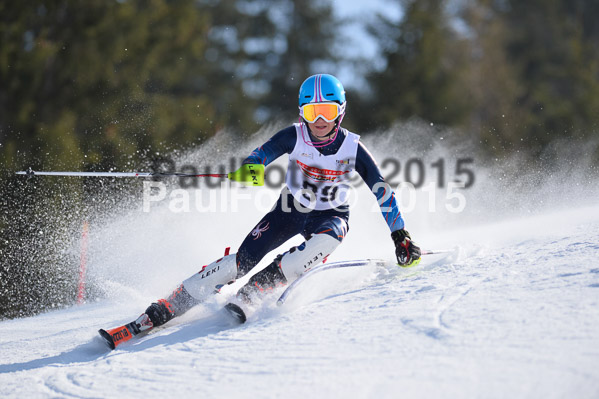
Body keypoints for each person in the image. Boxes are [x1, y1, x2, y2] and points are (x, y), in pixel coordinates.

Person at [102, 74, 421, 344]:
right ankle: (168, 306)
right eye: (312, 113)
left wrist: (400, 234)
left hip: (332, 216)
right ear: (302, 113)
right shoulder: (294, 136)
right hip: (289, 208)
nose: (320, 121)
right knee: (241, 263)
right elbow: (262, 153)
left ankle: (256, 291)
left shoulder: (353, 147)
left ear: (341, 112)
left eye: (326, 111)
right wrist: (252, 167)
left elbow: (381, 189)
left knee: (317, 247)